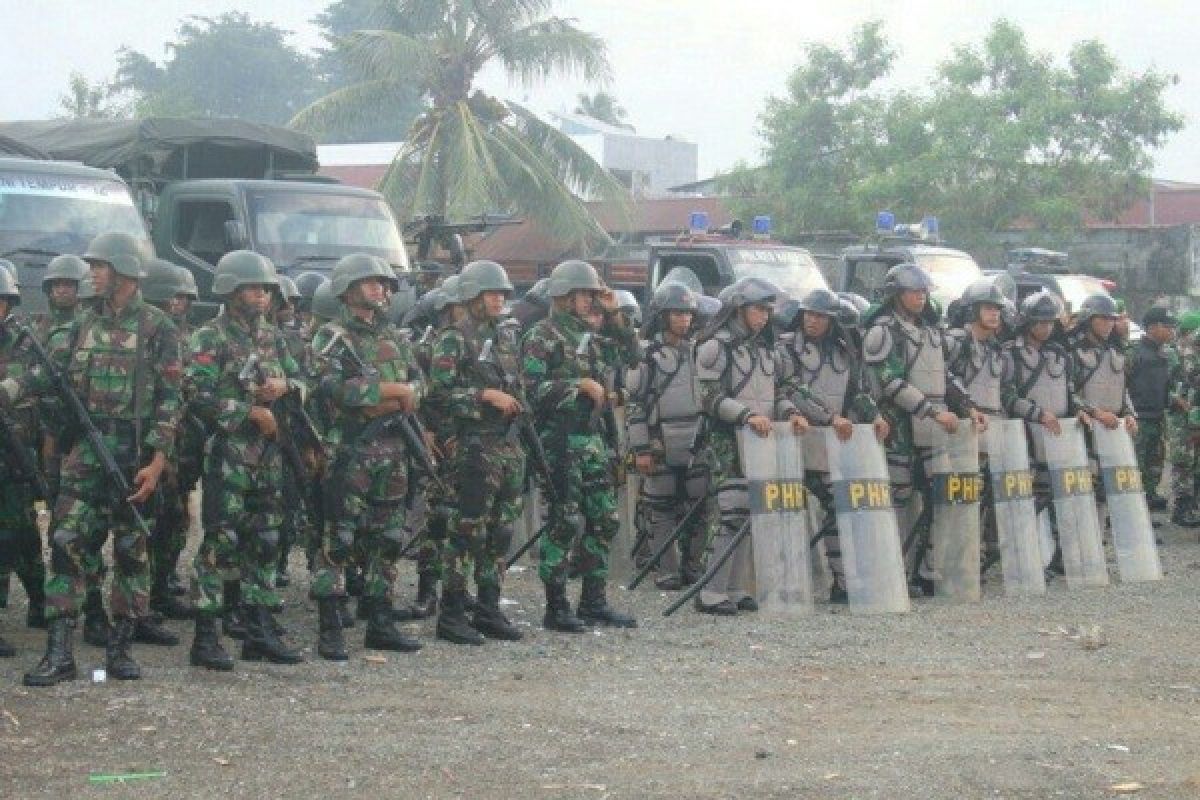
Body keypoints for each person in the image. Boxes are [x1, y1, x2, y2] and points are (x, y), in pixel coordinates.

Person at [6, 232, 182, 686]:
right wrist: (9, 389)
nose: (92, 274)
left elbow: (170, 397)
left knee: (130, 551)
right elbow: (46, 375)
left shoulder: (158, 327)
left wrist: (158, 460)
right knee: (66, 544)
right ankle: (60, 652)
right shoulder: (81, 324)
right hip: (85, 453)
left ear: (122, 270)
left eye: (100, 266)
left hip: (134, 456)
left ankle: (120, 648)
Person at [187, 251, 305, 670]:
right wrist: (245, 412)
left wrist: (284, 385)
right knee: (221, 543)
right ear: (230, 290)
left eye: (266, 289)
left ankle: (259, 630)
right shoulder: (208, 338)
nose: (261, 295)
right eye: (253, 288)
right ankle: (205, 636)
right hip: (230, 456)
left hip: (270, 455)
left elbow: (303, 382)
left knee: (267, 541)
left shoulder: (273, 338)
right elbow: (194, 394)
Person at [309, 254, 425, 659]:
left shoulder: (393, 336)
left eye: (382, 283)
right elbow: (333, 390)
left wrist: (394, 396)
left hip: (393, 450)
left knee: (388, 538)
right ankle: (330, 627)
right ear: (348, 289)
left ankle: (380, 621)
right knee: (338, 540)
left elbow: (419, 385)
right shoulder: (330, 336)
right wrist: (391, 394)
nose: (380, 288)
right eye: (370, 282)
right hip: (350, 452)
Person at [521, 260, 640, 631]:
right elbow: (530, 390)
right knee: (564, 522)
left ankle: (593, 601)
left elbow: (632, 355)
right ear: (563, 296)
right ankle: (556, 607)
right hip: (558, 442)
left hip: (592, 441)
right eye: (584, 294)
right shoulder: (541, 336)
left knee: (604, 520)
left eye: (593, 294)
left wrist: (615, 311)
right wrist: (577, 387)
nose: (591, 301)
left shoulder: (593, 337)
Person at [861, 263, 982, 596]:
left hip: (934, 429)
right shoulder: (884, 331)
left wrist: (968, 406)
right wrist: (930, 411)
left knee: (937, 498)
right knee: (897, 501)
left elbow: (946, 376)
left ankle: (927, 569)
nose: (920, 297)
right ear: (896, 295)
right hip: (899, 428)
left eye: (923, 292)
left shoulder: (931, 331)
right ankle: (893, 570)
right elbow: (889, 382)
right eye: (913, 292)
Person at [695, 277, 809, 615]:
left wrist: (791, 413)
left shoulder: (767, 349)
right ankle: (711, 590)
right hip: (726, 438)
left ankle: (735, 586)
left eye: (767, 310)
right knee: (732, 512)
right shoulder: (715, 347)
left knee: (750, 512)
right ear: (739, 308)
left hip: (760, 438)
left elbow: (779, 393)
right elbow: (708, 397)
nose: (765, 315)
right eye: (759, 308)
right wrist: (745, 415)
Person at [427, 260, 527, 644]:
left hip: (506, 444)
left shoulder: (504, 338)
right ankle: (451, 614)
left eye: (502, 293)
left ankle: (488, 608)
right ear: (472, 296)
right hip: (473, 447)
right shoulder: (453, 338)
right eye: (492, 293)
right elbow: (436, 396)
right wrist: (483, 395)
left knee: (500, 531)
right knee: (466, 531)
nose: (499, 299)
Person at [778, 287, 887, 603]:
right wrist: (829, 417)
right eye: (809, 314)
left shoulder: (844, 353)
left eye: (820, 316)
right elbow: (791, 389)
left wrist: (875, 415)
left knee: (839, 507)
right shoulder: (787, 349)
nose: (812, 321)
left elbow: (858, 392)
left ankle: (842, 580)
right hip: (794, 440)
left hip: (829, 447)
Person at [626, 281, 712, 591]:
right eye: (677, 313)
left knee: (699, 504)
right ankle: (667, 569)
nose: (684, 319)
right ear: (663, 316)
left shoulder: (699, 351)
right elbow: (635, 403)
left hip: (695, 436)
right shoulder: (646, 354)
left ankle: (693, 565)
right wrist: (641, 447)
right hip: (659, 437)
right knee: (660, 507)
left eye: (688, 313)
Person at [1004, 290, 1092, 577]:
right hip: (1026, 436)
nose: (1045, 328)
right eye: (1040, 322)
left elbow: (1070, 392)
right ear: (1027, 322)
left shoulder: (1060, 354)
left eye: (1050, 323)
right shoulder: (1010, 353)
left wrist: (1079, 409)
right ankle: (1028, 558)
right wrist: (1036, 414)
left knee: (1059, 497)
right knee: (1028, 501)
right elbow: (1005, 396)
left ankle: (1060, 556)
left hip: (1058, 436)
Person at [944, 279, 1014, 572]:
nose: (994, 314)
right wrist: (966, 407)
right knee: (960, 500)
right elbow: (943, 377)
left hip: (991, 430)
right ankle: (957, 561)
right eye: (987, 307)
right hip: (963, 429)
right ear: (972, 310)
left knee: (985, 498)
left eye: (997, 308)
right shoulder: (955, 341)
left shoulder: (996, 349)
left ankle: (977, 557)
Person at [0, 269, 40, 656]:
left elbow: (42, 375)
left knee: (21, 530)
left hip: (16, 453)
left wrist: (13, 389)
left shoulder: (24, 342)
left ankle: (40, 602)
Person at [1128, 306, 1181, 512]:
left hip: (1157, 417)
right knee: (1136, 465)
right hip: (1138, 418)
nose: (1171, 332)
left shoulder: (1166, 355)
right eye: (1167, 327)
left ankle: (1148, 500)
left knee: (1154, 464)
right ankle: (1135, 508)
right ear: (1154, 327)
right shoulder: (1134, 353)